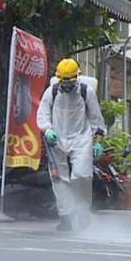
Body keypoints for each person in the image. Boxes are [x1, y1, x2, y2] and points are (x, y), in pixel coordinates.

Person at [36, 58, 106, 231]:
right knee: (60, 181)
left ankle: (83, 211)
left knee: (81, 176)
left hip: (81, 139)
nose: (66, 85)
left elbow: (96, 118)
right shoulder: (51, 91)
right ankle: (65, 217)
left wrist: (98, 141)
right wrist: (47, 130)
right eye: (63, 81)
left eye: (70, 81)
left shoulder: (85, 91)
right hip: (56, 140)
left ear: (77, 77)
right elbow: (42, 114)